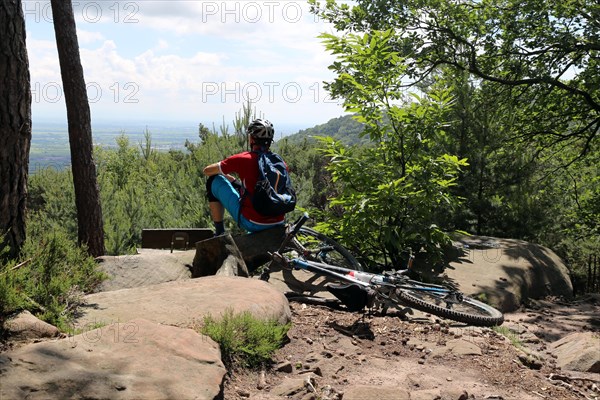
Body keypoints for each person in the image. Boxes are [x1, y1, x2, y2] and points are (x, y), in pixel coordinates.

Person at [203, 119, 287, 235]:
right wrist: (233, 181)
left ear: (251, 139)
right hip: (279, 221)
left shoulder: (244, 159)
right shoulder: (279, 162)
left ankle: (219, 233)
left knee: (213, 180)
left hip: (253, 223)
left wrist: (223, 173)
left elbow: (207, 171)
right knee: (237, 186)